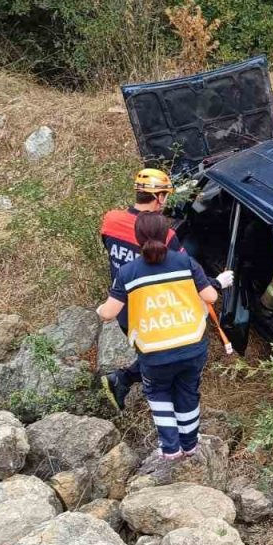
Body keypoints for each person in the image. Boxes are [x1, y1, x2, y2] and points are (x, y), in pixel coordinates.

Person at [96, 212, 233, 458]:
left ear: (137, 239)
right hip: (192, 343)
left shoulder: (128, 272)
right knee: (188, 391)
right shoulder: (186, 263)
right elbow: (211, 297)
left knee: (158, 392)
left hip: (154, 350)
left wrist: (99, 309)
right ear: (167, 235)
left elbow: (108, 313)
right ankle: (190, 444)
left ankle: (170, 448)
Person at [98, 168, 183, 411]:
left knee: (150, 351)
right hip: (151, 310)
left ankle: (125, 380)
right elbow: (182, 270)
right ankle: (124, 381)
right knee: (163, 354)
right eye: (165, 195)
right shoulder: (165, 236)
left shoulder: (111, 220)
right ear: (159, 197)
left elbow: (110, 247)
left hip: (124, 309)